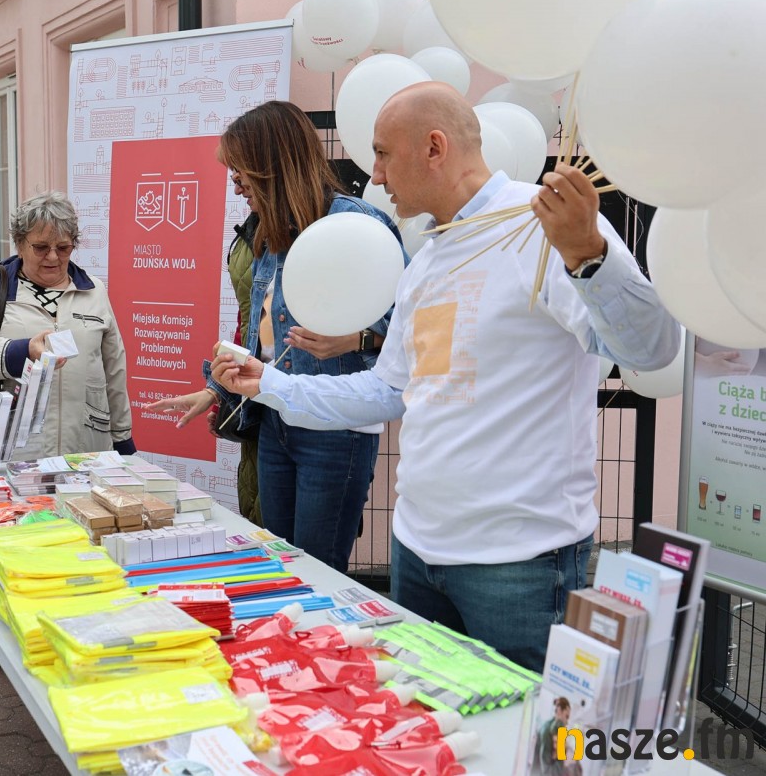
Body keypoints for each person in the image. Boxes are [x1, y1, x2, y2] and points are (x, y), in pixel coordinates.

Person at [212, 82, 681, 670]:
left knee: (522, 727)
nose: (375, 175)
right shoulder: (429, 259)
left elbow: (651, 348)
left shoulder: (545, 226)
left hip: (519, 561)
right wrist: (269, 384)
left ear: (434, 147)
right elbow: (389, 390)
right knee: (432, 717)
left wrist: (590, 256)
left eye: (383, 154)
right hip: (417, 551)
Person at [156, 100, 403, 573]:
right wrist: (218, 387)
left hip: (335, 430)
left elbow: (411, 332)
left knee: (317, 572)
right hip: (274, 422)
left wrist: (356, 341)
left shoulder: (357, 225)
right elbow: (264, 341)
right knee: (280, 566)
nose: (235, 185)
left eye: (240, 172)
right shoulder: (268, 232)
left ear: (272, 163)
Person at [0, 190, 135, 462]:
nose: (52, 257)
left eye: (63, 248)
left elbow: (114, 368)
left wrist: (122, 438)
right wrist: (23, 351)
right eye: (41, 247)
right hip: (18, 450)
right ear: (19, 244)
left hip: (86, 448)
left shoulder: (93, 290)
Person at [146, 208, 263, 526]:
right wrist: (218, 392)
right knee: (258, 518)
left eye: (244, 178)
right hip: (259, 411)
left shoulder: (319, 225)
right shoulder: (251, 231)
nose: (237, 185)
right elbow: (247, 327)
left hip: (297, 416)